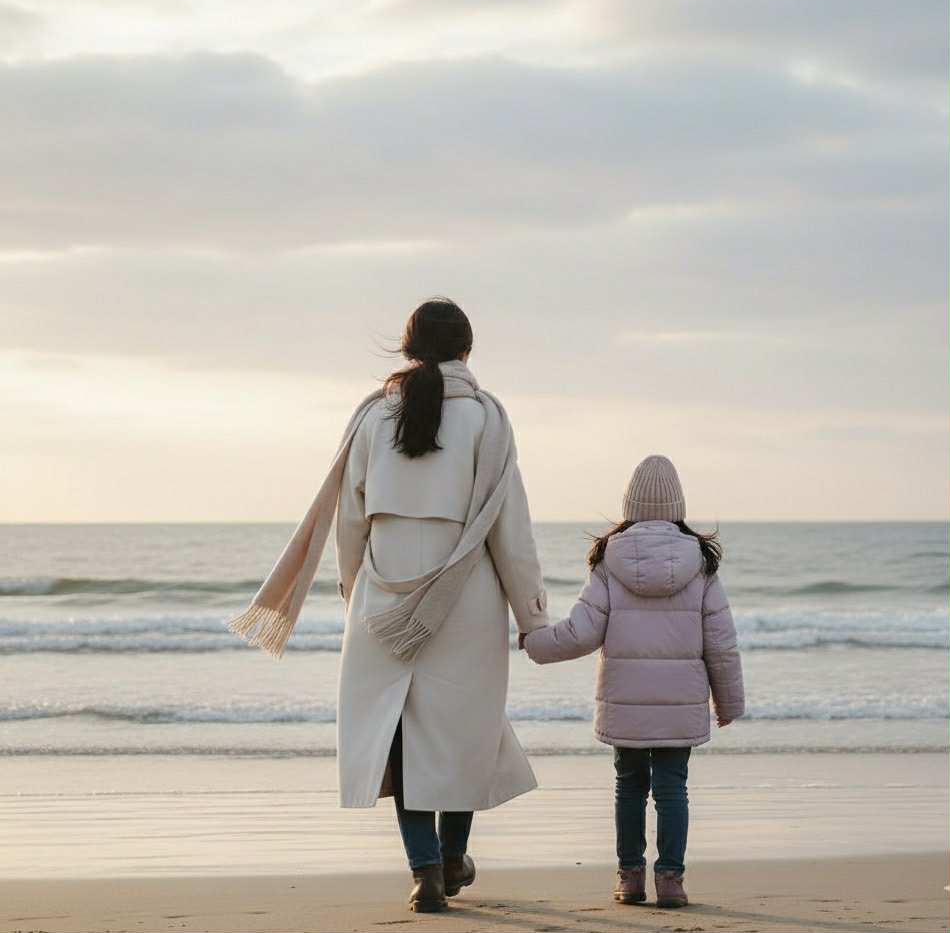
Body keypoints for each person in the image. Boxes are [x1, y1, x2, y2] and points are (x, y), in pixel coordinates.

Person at [232, 296, 549, 913]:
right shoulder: (489, 420)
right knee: (463, 733)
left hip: (383, 591)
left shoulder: (374, 417)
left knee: (401, 733)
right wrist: (533, 619)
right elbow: (511, 529)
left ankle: (424, 871)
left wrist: (356, 591)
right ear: (466, 350)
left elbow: (352, 522)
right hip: (467, 596)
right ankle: (454, 857)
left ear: (407, 349)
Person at [522, 455, 744, 909]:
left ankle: (629, 878)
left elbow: (582, 632)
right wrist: (729, 703)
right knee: (671, 788)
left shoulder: (610, 561)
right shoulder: (700, 564)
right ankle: (671, 881)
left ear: (630, 505)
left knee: (629, 785)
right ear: (678, 506)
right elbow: (722, 643)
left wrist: (534, 642)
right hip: (680, 700)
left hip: (625, 700)